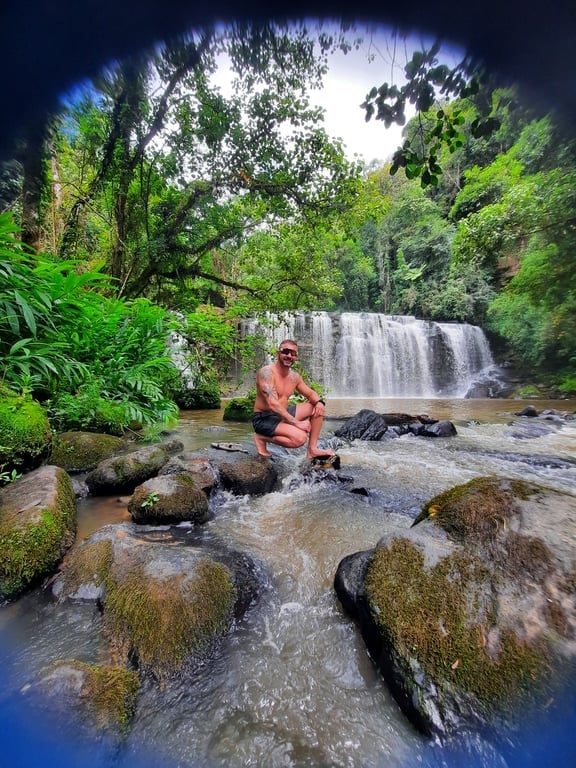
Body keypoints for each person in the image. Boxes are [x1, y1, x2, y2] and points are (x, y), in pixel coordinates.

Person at [252, 339, 335, 460]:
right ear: (278, 353)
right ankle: (261, 437)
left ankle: (312, 450)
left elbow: (310, 393)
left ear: (296, 357)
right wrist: (297, 423)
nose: (289, 356)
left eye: (293, 354)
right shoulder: (267, 373)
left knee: (315, 408)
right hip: (264, 419)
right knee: (300, 438)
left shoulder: (294, 377)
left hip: (281, 415)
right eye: (285, 352)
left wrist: (320, 403)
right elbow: (273, 404)